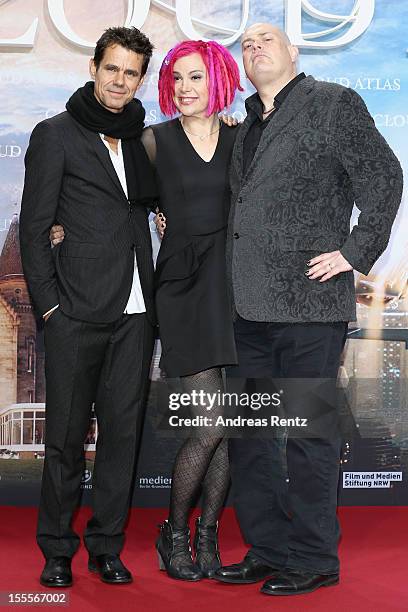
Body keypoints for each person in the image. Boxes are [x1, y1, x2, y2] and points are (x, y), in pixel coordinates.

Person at [212, 23, 403, 596]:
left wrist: (354, 252)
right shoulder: (244, 127)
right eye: (246, 45)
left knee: (308, 438)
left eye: (266, 40)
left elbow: (384, 177)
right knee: (251, 439)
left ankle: (315, 556)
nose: (255, 48)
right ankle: (267, 549)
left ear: (294, 53)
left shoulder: (333, 103)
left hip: (309, 308)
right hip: (245, 307)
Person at [51, 39, 243, 582]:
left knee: (229, 427)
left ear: (220, 81)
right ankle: (175, 532)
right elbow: (109, 195)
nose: (184, 88)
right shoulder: (150, 140)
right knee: (210, 425)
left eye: (197, 78)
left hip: (234, 290)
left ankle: (208, 539)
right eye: (176, 78)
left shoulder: (242, 135)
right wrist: (59, 231)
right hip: (182, 290)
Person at [20, 27, 157, 588]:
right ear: (94, 67)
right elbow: (33, 229)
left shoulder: (146, 139)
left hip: (136, 312)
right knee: (65, 440)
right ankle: (57, 550)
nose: (121, 82)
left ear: (141, 77)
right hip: (73, 313)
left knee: (123, 439)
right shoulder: (55, 134)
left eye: (132, 73)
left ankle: (107, 546)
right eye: (113, 69)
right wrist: (50, 309)